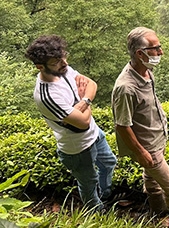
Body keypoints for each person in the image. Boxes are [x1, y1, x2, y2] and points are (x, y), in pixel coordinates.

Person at [26, 35, 117, 210]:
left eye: (63, 57)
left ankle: (106, 194)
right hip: (77, 148)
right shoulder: (47, 95)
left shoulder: (63, 69)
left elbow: (92, 84)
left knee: (109, 162)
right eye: (55, 62)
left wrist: (82, 103)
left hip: (94, 133)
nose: (64, 63)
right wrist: (86, 99)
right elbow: (82, 122)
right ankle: (96, 212)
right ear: (40, 66)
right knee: (88, 183)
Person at [111, 27, 169, 227]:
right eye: (156, 48)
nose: (161, 52)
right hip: (148, 147)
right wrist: (140, 152)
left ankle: (159, 214)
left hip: (158, 138)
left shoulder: (146, 72)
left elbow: (149, 105)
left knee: (152, 180)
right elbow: (122, 125)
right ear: (140, 53)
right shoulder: (126, 88)